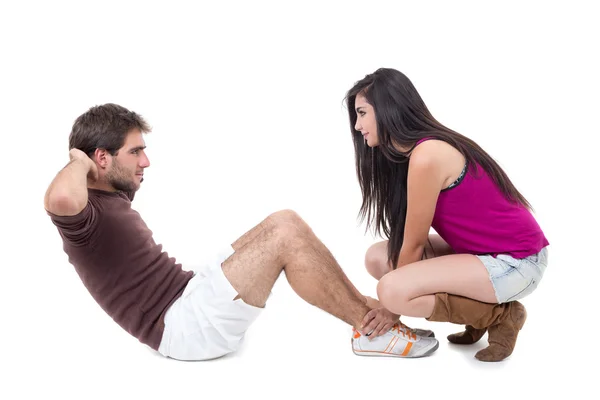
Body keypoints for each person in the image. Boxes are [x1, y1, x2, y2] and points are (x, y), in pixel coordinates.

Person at [44, 103, 439, 361]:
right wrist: (78, 159)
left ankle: (372, 318)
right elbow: (59, 198)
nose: (146, 160)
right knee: (285, 236)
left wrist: (94, 166)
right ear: (100, 158)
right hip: (182, 326)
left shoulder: (106, 197)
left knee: (283, 220)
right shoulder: (83, 216)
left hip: (186, 293)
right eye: (135, 151)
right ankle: (370, 332)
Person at [345, 68, 549, 362]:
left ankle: (501, 316)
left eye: (362, 113)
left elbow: (414, 245)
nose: (357, 125)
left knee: (392, 290)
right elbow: (407, 243)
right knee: (377, 258)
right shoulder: (413, 154)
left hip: (517, 262)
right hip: (482, 255)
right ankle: (488, 313)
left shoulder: (428, 155)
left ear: (388, 109)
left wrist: (392, 311)